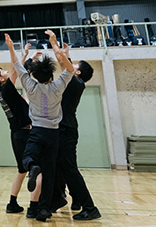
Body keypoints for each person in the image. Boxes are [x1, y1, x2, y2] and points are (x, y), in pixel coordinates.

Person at [14, 29, 73, 222]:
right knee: (49, 172)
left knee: (28, 157)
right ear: (50, 73)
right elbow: (70, 69)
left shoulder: (31, 87)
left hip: (36, 131)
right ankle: (44, 210)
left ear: (36, 75)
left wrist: (10, 47)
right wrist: (55, 45)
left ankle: (32, 167)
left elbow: (18, 66)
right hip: (53, 134)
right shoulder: (58, 86)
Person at [52, 47, 101, 221]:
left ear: (77, 71)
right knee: (58, 167)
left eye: (74, 65)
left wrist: (54, 43)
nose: (70, 66)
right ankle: (57, 198)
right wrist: (65, 54)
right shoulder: (73, 81)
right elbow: (64, 63)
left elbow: (62, 63)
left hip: (67, 130)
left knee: (70, 170)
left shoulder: (75, 82)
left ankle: (90, 207)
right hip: (62, 128)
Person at [0, 35, 34, 215]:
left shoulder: (4, 90)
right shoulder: (6, 89)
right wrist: (11, 49)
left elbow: (16, 70)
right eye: (3, 71)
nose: (6, 72)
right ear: (1, 79)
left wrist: (24, 55)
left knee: (22, 171)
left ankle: (12, 203)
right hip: (23, 133)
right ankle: (36, 204)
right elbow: (15, 70)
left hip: (18, 134)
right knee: (33, 168)